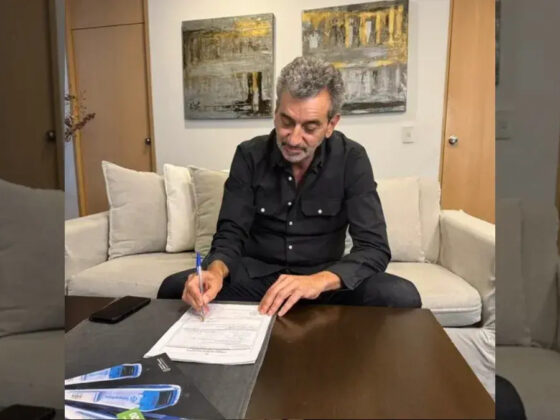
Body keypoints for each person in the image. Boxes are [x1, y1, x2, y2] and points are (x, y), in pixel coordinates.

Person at [158, 56, 421, 316]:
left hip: (323, 283)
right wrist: (214, 273)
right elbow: (230, 235)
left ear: (331, 124)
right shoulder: (249, 156)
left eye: (310, 127)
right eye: (286, 122)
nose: (294, 139)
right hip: (258, 280)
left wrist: (318, 282)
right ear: (275, 112)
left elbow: (374, 248)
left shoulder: (351, 158)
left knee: (401, 295)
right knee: (173, 288)